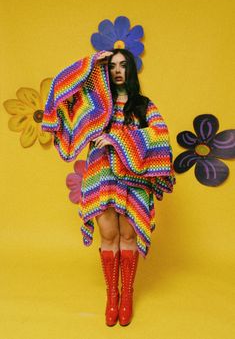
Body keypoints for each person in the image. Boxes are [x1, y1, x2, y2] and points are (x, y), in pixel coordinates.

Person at [42, 49, 175, 327]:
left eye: (122, 65)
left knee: (128, 234)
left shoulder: (143, 105)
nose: (117, 70)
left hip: (133, 179)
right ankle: (110, 296)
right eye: (112, 65)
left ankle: (127, 294)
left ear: (131, 70)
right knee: (108, 233)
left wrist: (117, 140)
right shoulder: (97, 104)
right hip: (101, 175)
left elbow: (159, 135)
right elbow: (60, 87)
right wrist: (89, 62)